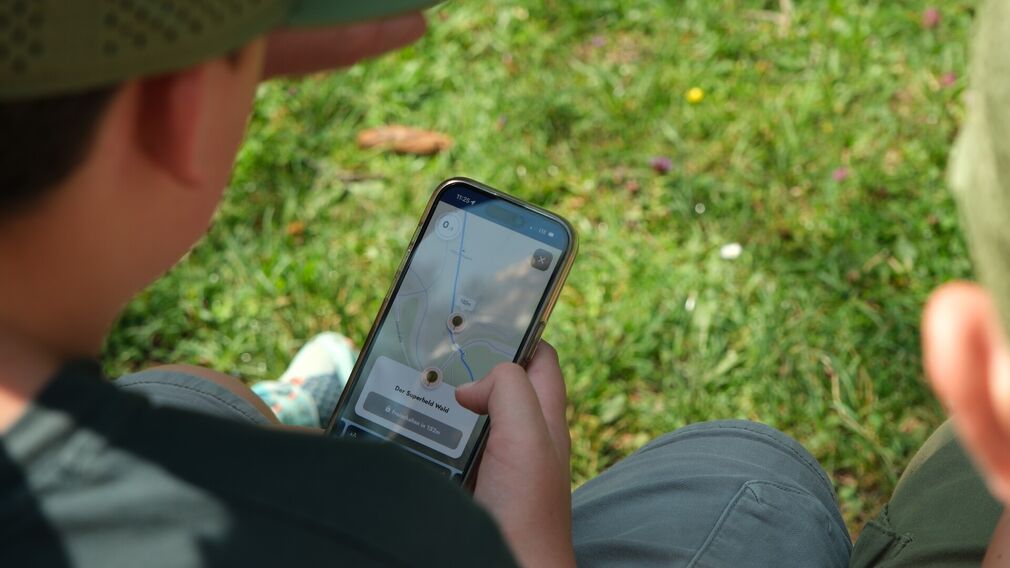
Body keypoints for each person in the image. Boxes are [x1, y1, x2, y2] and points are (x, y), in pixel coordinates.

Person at [0, 2, 1003, 568]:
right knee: (749, 481)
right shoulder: (390, 530)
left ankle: (247, 414)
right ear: (176, 119)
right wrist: (521, 552)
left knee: (188, 400)